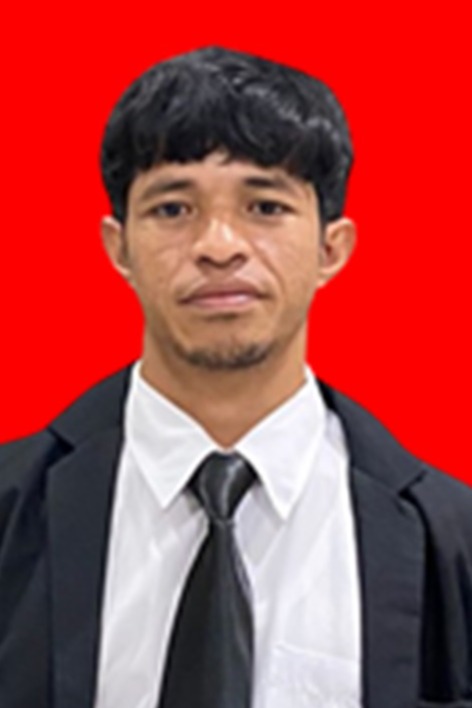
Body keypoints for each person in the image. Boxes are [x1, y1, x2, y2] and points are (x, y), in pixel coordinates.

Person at [0, 46, 471, 708]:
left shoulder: (451, 538)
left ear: (331, 248)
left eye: (265, 207)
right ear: (119, 247)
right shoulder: (11, 509)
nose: (219, 245)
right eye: (173, 209)